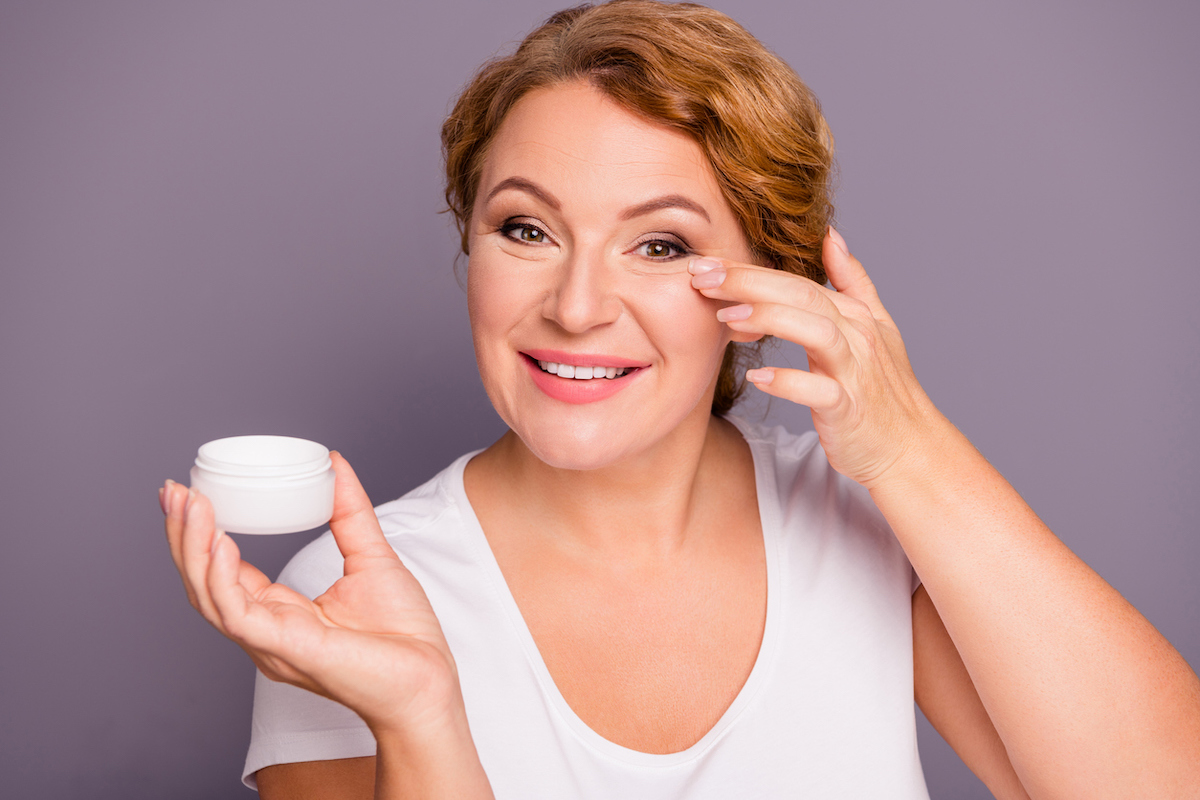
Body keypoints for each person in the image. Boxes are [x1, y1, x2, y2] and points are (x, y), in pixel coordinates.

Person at [162, 1, 1200, 798]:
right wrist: (422, 715)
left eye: (661, 244)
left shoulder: (866, 520)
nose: (574, 305)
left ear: (768, 287)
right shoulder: (348, 592)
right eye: (526, 228)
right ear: (468, 243)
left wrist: (908, 446)